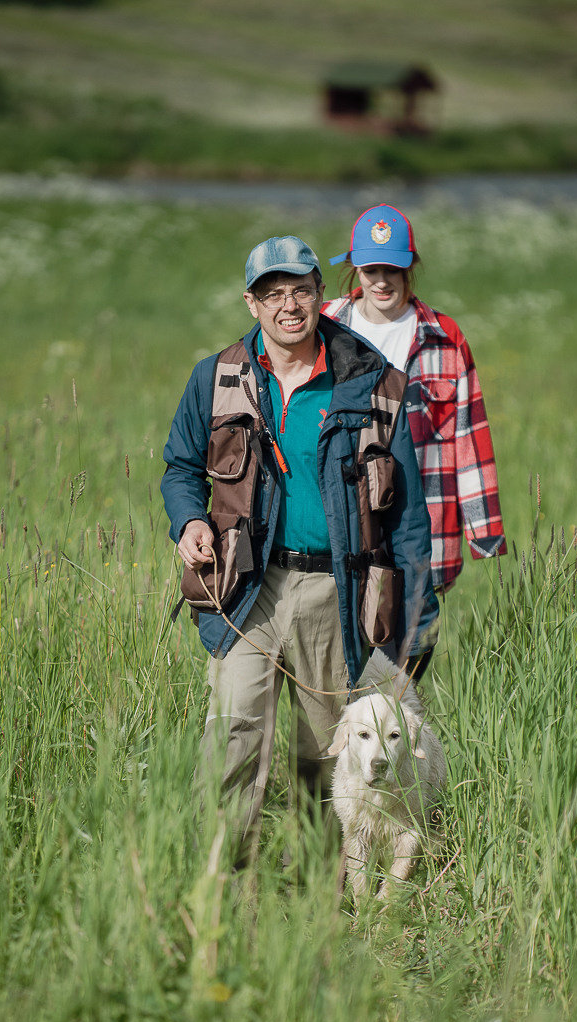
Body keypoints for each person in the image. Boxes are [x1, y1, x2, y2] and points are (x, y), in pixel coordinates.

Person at [161, 234, 439, 856]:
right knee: (233, 737)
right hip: (248, 586)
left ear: (322, 296)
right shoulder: (217, 378)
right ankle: (223, 888)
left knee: (328, 752)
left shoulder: (374, 383)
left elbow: (409, 518)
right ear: (251, 303)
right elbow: (180, 467)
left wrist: (416, 623)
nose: (289, 304)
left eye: (301, 290)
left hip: (337, 592)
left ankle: (322, 895)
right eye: (273, 293)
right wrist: (189, 522)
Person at [322, 205, 506, 593]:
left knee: (411, 647)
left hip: (422, 518)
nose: (382, 281)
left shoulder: (444, 336)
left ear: (410, 268)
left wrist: (484, 532)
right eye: (371, 270)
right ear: (355, 267)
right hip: (343, 519)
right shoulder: (326, 327)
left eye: (393, 270)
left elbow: (469, 437)